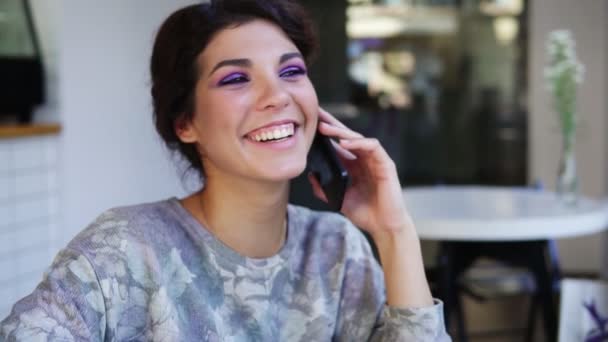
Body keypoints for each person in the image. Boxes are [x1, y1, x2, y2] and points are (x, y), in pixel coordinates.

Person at [1, 1, 450, 340]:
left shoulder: (337, 251)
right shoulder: (122, 253)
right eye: (236, 79)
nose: (278, 96)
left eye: (291, 71)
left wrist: (394, 232)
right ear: (186, 123)